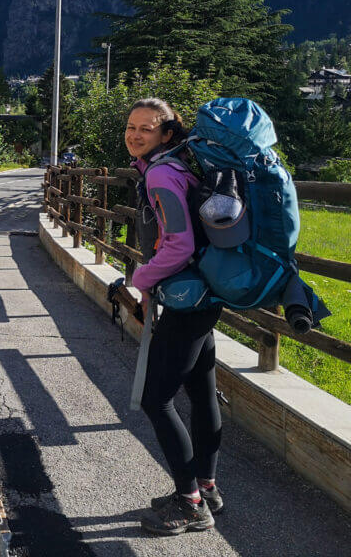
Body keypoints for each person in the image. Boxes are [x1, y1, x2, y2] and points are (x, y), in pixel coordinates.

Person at [125, 98, 223, 536]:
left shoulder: (162, 174)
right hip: (208, 290)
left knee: (155, 398)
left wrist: (141, 277)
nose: (135, 135)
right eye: (131, 126)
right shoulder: (180, 165)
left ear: (167, 134)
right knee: (201, 393)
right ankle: (207, 487)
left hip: (188, 298)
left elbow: (179, 244)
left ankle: (190, 504)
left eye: (147, 128)